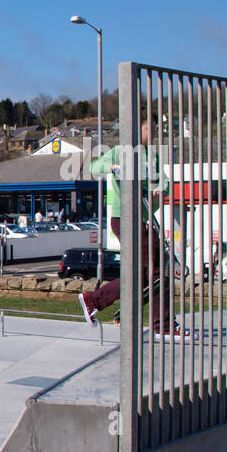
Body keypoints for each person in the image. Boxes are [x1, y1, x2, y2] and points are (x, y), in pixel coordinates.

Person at [79, 119, 179, 336]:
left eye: (154, 129)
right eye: (148, 129)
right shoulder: (118, 152)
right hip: (124, 217)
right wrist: (112, 167)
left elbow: (165, 183)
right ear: (136, 129)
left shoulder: (151, 156)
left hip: (142, 219)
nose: (153, 133)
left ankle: (94, 300)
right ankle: (164, 325)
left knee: (144, 272)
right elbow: (94, 167)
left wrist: (159, 191)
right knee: (157, 268)